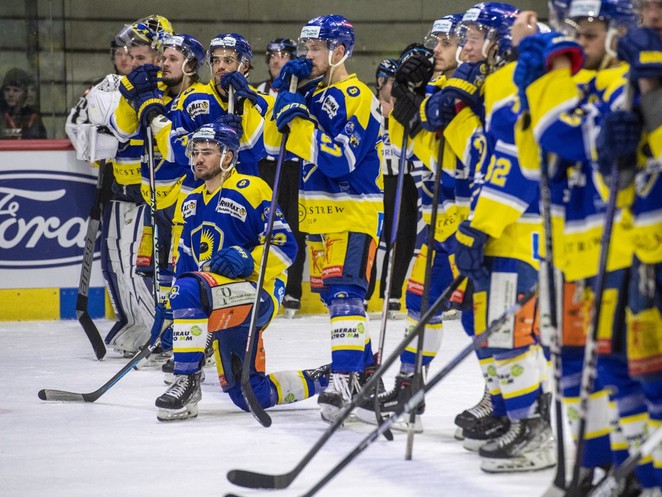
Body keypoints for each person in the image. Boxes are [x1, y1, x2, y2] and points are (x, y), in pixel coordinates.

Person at [516, 0, 661, 491]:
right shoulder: (582, 83)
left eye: (591, 35)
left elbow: (568, 134)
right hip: (571, 253)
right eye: (575, 34)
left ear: (618, 34)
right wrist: (531, 99)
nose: (580, 43)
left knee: (624, 371)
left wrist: (550, 75)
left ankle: (634, 473)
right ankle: (596, 465)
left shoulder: (621, 81)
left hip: (617, 249)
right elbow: (536, 161)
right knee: (575, 369)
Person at [154, 122, 330, 421]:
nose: (198, 159)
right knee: (250, 395)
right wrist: (171, 311)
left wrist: (249, 261)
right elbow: (185, 263)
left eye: (207, 152)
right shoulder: (190, 201)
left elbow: (285, 246)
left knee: (189, 289)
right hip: (215, 295)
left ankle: (187, 381)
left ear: (228, 156)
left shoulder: (252, 189)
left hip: (258, 291)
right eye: (195, 152)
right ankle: (330, 378)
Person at [267, 14, 384, 423]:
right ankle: (368, 375)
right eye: (307, 47)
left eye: (315, 48)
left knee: (346, 296)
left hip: (353, 213)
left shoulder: (359, 96)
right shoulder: (312, 93)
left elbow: (340, 160)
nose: (308, 55)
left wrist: (298, 119)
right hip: (319, 217)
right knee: (336, 298)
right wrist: (285, 93)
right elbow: (273, 143)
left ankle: (344, 377)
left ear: (339, 51)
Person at [256, 38, 307, 318]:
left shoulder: (305, 89)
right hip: (266, 165)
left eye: (284, 54)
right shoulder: (259, 91)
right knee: (265, 226)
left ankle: (293, 291)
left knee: (296, 228)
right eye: (273, 55)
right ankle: (264, 282)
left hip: (295, 166)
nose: (277, 59)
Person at [365, 57, 418, 319]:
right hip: (376, 181)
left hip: (403, 178)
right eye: (393, 82)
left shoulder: (407, 108)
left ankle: (393, 293)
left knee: (404, 237)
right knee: (374, 238)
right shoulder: (369, 106)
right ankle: (366, 294)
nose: (397, 88)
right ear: (380, 81)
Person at [0, 68, 46, 139]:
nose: (10, 94)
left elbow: (41, 141)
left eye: (16, 90)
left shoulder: (32, 116)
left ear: (25, 94)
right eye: (7, 90)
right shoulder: (1, 114)